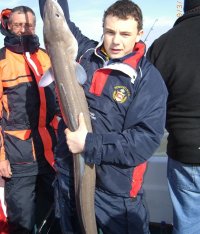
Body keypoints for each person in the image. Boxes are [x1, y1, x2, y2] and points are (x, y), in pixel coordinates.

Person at [39, 0, 168, 233]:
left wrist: (88, 143)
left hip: (115, 194)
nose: (116, 40)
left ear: (139, 34)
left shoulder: (149, 80)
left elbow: (144, 141)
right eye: (109, 32)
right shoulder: (85, 53)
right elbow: (58, 23)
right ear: (102, 30)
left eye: (125, 33)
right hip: (68, 178)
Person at [0, 6, 60, 234]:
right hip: (18, 158)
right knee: (22, 221)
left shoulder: (46, 57)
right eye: (18, 25)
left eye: (29, 25)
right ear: (8, 26)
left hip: (50, 154)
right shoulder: (2, 61)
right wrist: (1, 158)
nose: (24, 30)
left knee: (55, 215)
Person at [146, 0, 200, 233]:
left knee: (188, 224)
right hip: (184, 154)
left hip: (184, 151)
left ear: (186, 8)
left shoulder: (161, 45)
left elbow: (149, 105)